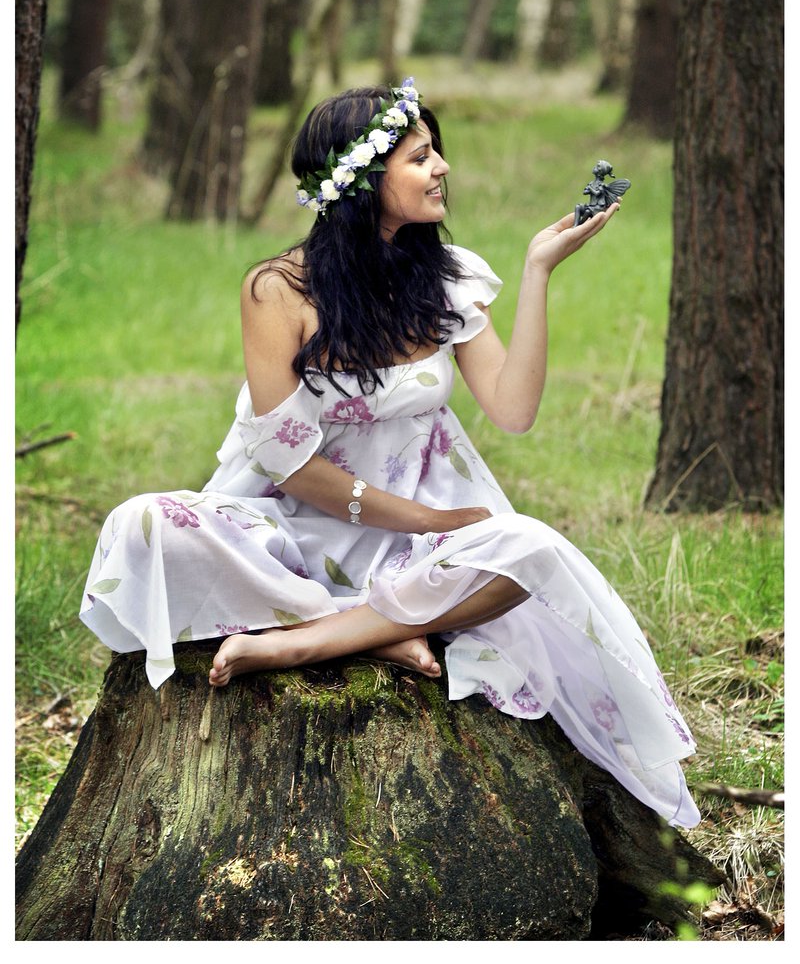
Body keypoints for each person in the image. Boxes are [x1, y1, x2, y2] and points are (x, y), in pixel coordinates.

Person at [80, 79, 700, 829]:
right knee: (141, 524)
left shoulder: (448, 278)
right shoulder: (278, 291)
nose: (441, 167)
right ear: (363, 183)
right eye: (418, 156)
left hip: (420, 538)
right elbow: (288, 465)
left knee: (530, 549)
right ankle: (380, 630)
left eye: (437, 151)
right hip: (297, 527)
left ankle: (306, 643)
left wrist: (538, 269)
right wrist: (424, 519)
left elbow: (514, 409)